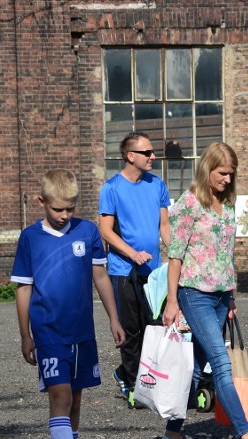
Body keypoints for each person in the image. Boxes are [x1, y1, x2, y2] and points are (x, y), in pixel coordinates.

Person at [11, 169, 126, 439]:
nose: (64, 215)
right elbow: (23, 289)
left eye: (70, 209)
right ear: (42, 202)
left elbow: (101, 277)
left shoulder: (88, 232)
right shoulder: (30, 238)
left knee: (75, 400)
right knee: (60, 395)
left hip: (82, 333)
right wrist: (25, 334)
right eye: (57, 209)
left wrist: (113, 318)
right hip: (48, 332)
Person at [161, 142, 248, 439]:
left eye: (230, 174)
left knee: (196, 369)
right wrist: (172, 301)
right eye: (222, 173)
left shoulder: (226, 205)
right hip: (193, 293)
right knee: (221, 364)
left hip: (221, 296)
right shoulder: (189, 203)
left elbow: (226, 255)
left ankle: (172, 431)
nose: (227, 179)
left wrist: (232, 297)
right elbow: (175, 255)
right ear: (207, 169)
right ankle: (247, 436)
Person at [98, 131, 171, 408]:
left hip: (153, 271)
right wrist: (132, 253)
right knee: (131, 332)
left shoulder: (157, 185)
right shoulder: (111, 188)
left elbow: (164, 227)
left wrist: (176, 255)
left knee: (154, 329)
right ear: (131, 156)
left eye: (152, 152)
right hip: (123, 270)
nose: (153, 157)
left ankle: (146, 379)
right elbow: (105, 231)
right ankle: (131, 382)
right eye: (147, 152)